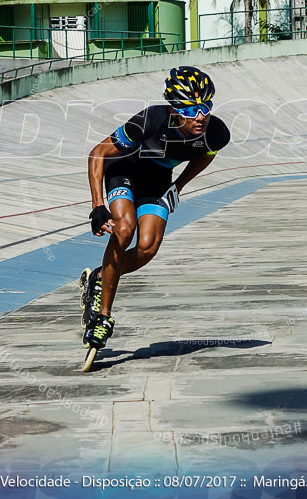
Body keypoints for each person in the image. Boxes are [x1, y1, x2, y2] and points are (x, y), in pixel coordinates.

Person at [81, 66, 230, 350]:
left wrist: (180, 185)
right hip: (123, 171)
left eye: (206, 107)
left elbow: (204, 157)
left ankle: (100, 277)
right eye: (190, 110)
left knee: (147, 248)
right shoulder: (150, 121)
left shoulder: (216, 132)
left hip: (157, 182)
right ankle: (103, 317)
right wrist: (98, 205)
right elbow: (98, 153)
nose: (200, 117)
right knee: (124, 229)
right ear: (175, 110)